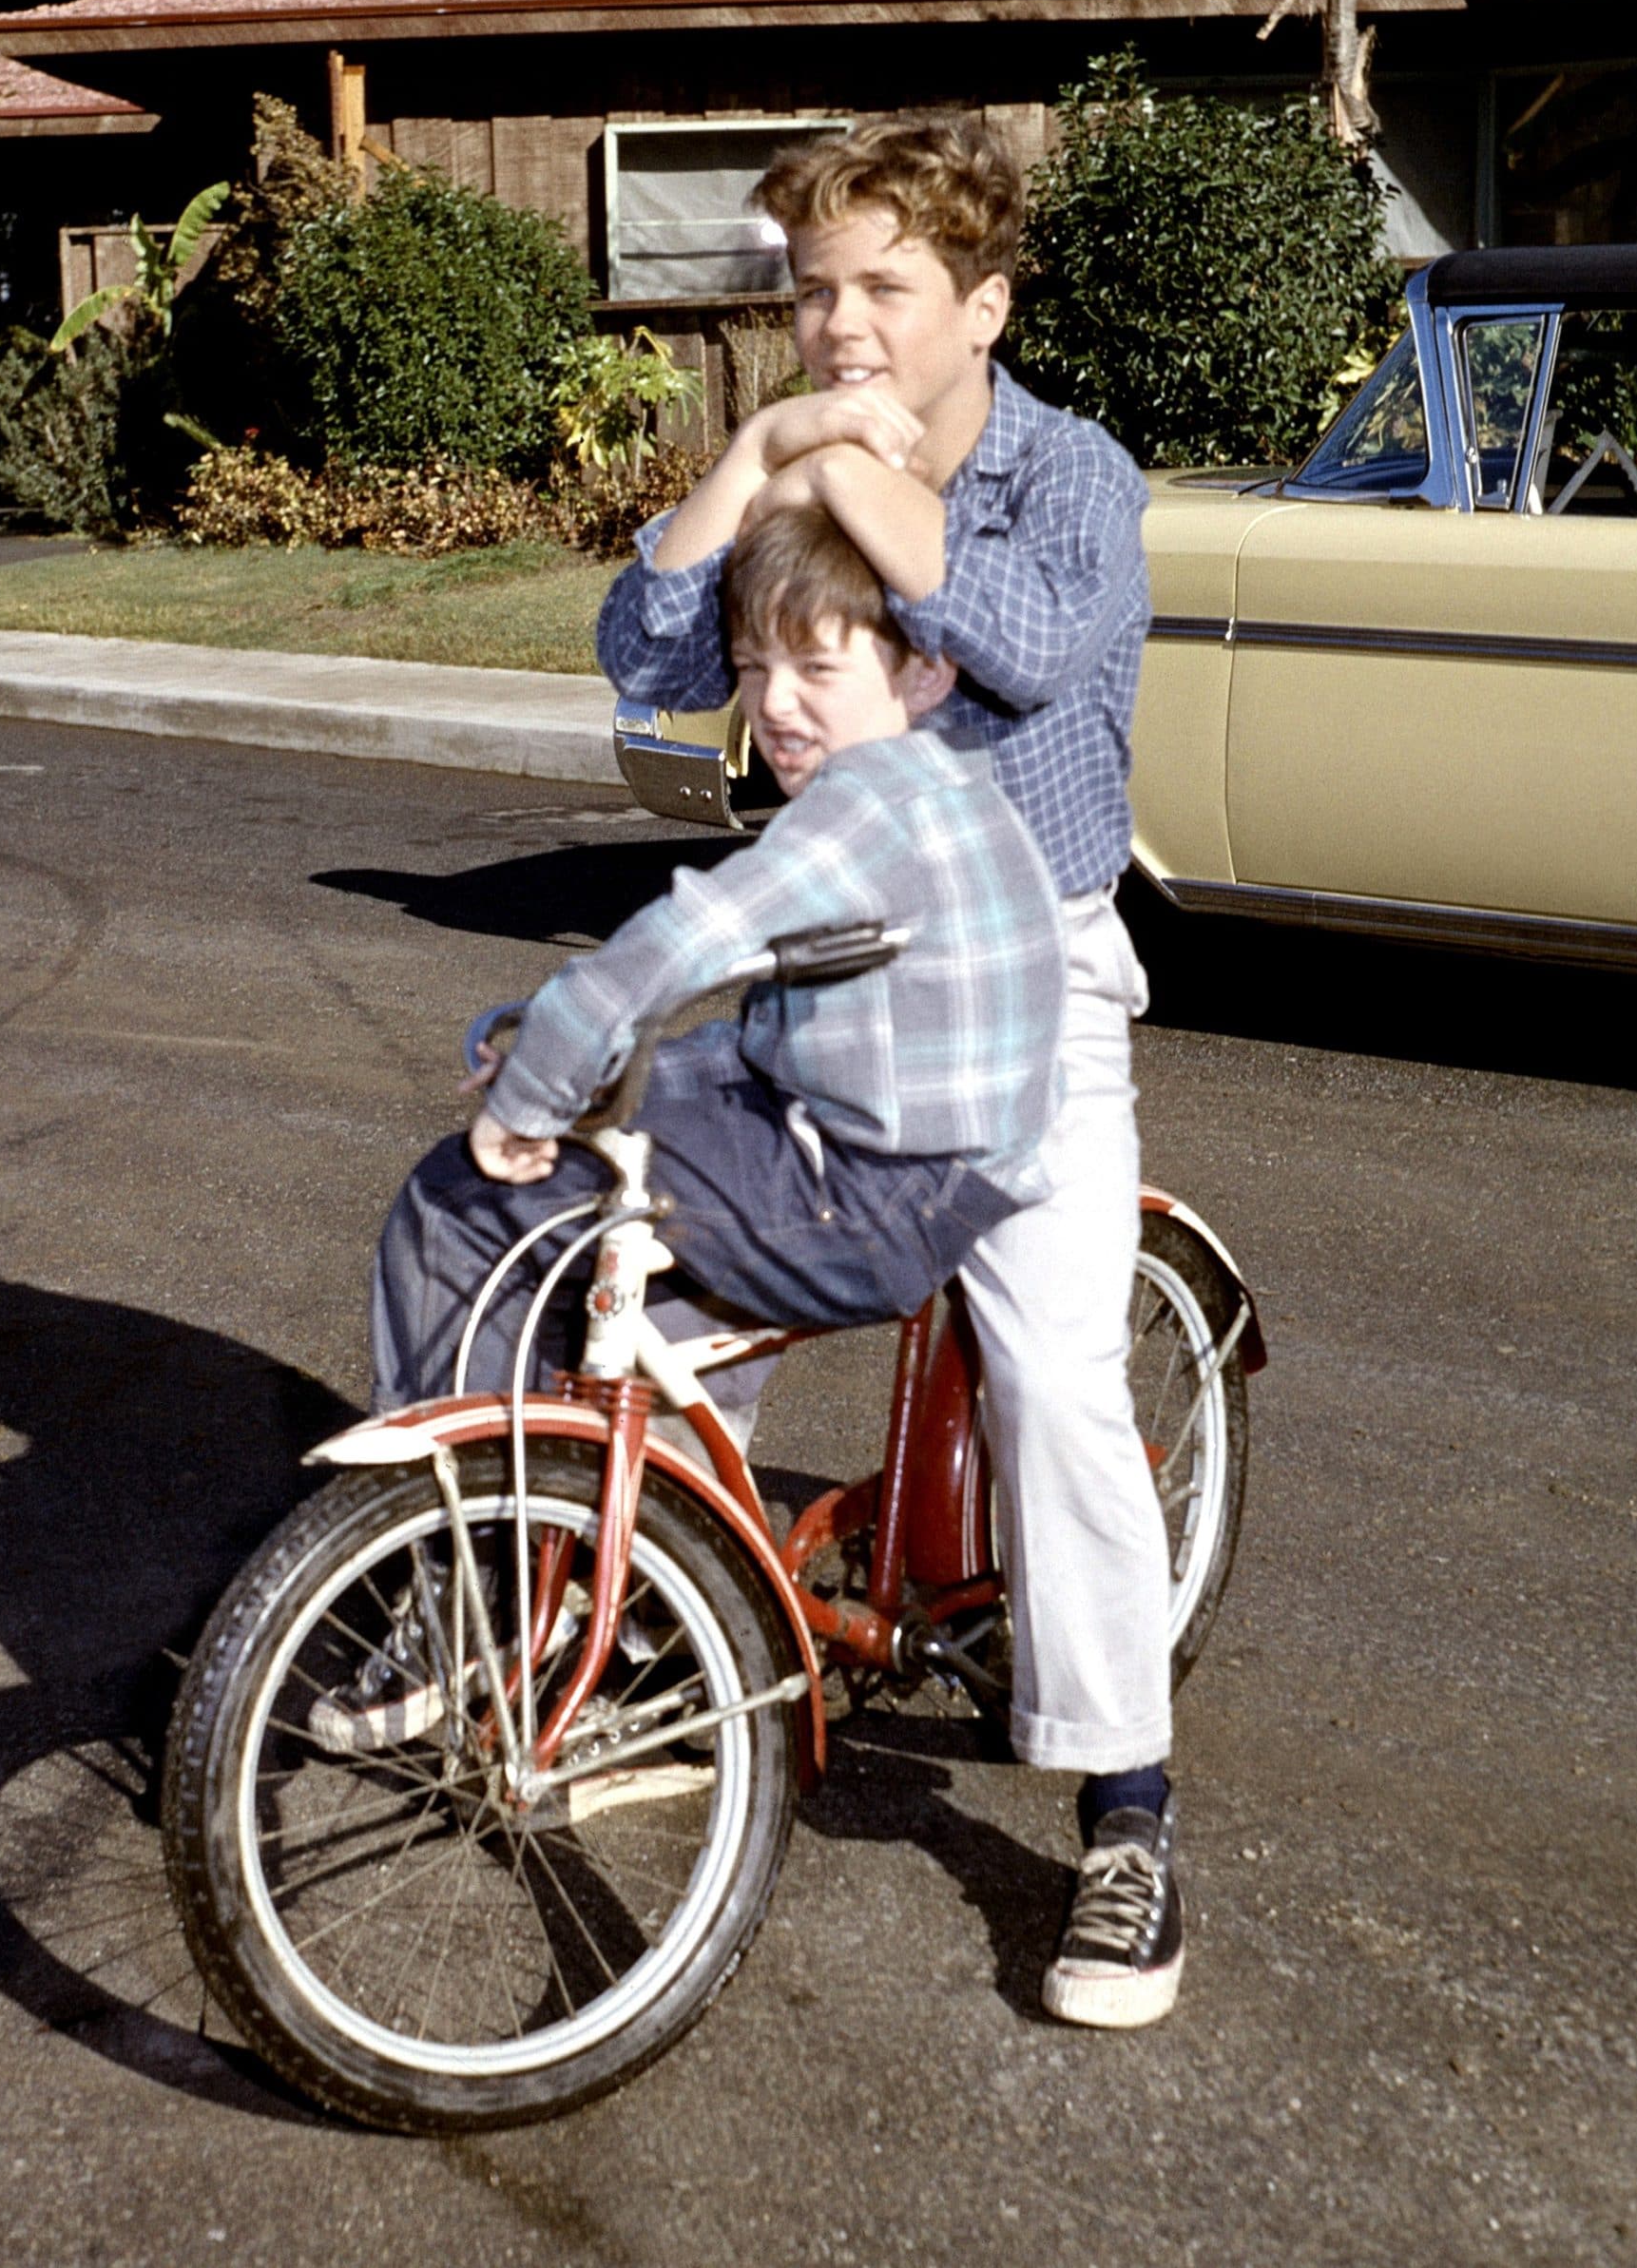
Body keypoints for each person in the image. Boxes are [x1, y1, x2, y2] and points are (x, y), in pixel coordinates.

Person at [593, 112, 1182, 2030]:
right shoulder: (804, 457)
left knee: (1052, 1372)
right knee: (678, 1301)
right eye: (810, 287)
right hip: (822, 964)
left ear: (980, 305)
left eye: (880, 287)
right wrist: (755, 459)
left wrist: (846, 470)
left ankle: (1122, 1807)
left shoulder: (1067, 475)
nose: (834, 320)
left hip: (1025, 997)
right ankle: (641, 1644)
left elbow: (1014, 645)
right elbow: (641, 655)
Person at [369, 499, 1065, 1451]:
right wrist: (587, 1067)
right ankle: (680, 1503)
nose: (774, 702)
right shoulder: (943, 782)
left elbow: (674, 946)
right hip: (940, 1170)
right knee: (650, 1167)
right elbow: (768, 1044)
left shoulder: (862, 810)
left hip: (875, 1198)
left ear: (923, 668)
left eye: (816, 667)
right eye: (752, 667)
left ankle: (459, 1551)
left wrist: (528, 1095)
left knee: (463, 1201)